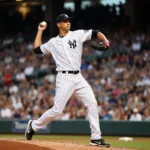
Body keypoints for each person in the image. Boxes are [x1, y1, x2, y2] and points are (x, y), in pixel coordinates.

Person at [25, 14, 110, 148]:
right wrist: (40, 31)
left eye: (68, 21)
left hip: (78, 76)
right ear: (58, 24)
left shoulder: (77, 34)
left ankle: (96, 138)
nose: (68, 23)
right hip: (64, 78)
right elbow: (36, 49)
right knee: (57, 110)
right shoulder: (53, 42)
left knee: (92, 103)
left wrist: (106, 41)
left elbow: (95, 32)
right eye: (65, 21)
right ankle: (34, 125)